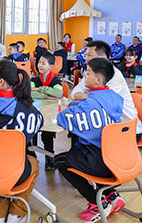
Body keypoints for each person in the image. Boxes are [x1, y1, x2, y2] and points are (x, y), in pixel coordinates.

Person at [55, 58, 126, 222]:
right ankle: (111, 194)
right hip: (117, 156)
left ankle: (96, 201)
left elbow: (62, 119)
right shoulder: (115, 97)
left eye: (87, 73)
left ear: (98, 80)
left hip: (100, 159)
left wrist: (72, 108)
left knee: (60, 160)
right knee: (80, 150)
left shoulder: (89, 104)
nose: (83, 77)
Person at [0, 60, 43, 223]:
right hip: (14, 170)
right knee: (33, 163)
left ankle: (0, 217)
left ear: (1, 82)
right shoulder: (28, 110)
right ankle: (16, 214)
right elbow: (37, 124)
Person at [70, 41, 142, 137]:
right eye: (85, 55)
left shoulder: (113, 74)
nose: (86, 58)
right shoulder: (91, 72)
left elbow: (102, 104)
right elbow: (74, 92)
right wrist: (89, 97)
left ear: (102, 57)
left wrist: (89, 97)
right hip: (106, 125)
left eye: (89, 55)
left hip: (127, 129)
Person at [31, 52, 63, 170]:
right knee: (31, 130)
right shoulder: (35, 79)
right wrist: (48, 95)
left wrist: (39, 90)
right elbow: (29, 92)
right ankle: (31, 156)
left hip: (51, 112)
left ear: (51, 66)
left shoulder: (55, 80)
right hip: (36, 110)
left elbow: (58, 93)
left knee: (47, 135)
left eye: (43, 63)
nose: (40, 65)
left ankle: (49, 158)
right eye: (39, 62)